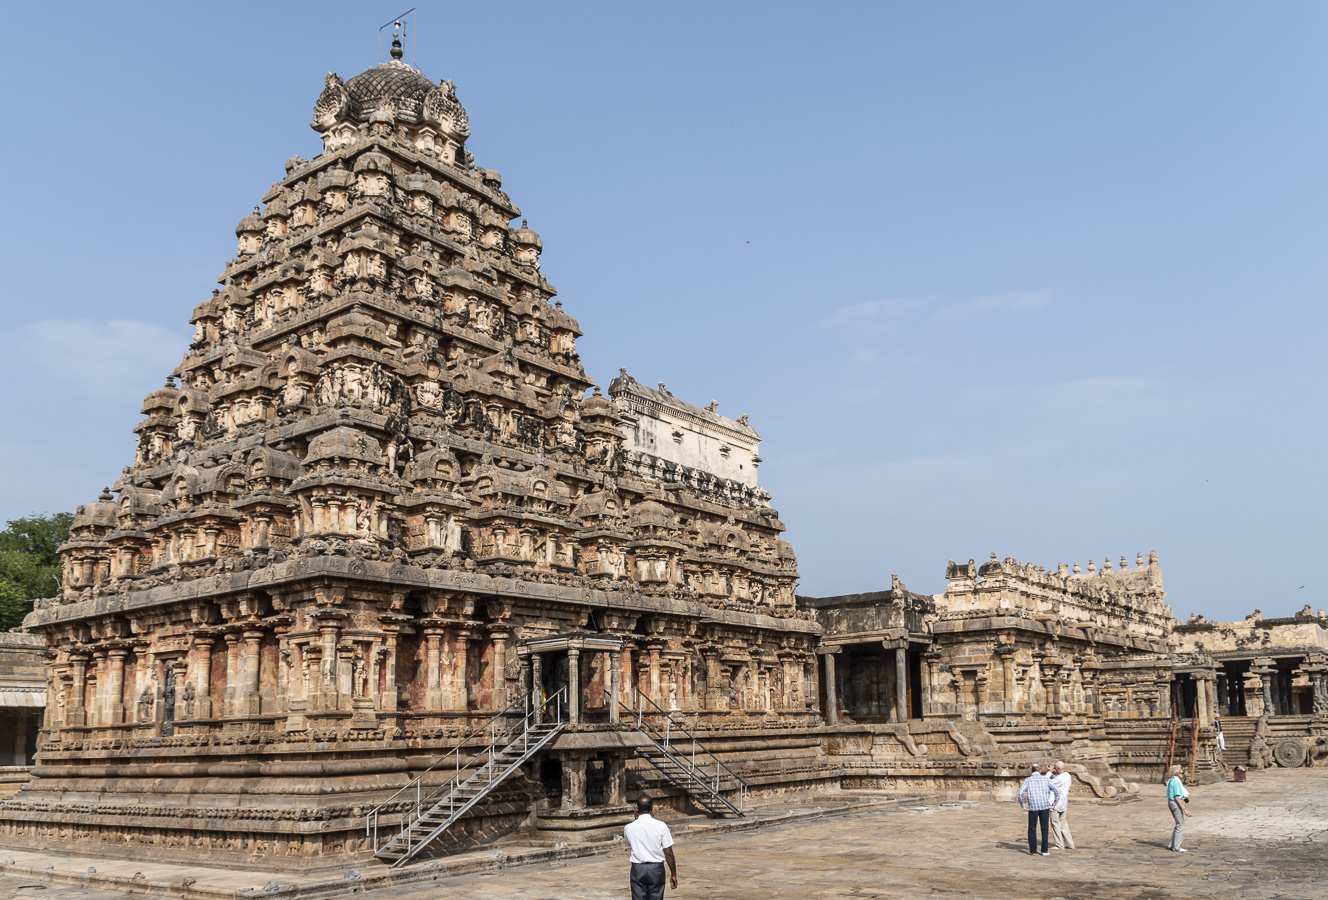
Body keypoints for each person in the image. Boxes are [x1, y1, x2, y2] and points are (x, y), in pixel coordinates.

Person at [623, 795, 678, 899]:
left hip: (638, 869)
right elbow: (669, 852)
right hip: (656, 869)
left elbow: (630, 843)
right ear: (652, 808)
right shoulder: (661, 826)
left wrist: (636, 820)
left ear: (637, 809)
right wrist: (673, 873)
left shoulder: (629, 827)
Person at [1017, 764, 1061, 856]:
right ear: (1040, 771)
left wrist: (1023, 804)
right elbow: (1057, 791)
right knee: (1044, 829)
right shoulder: (1046, 779)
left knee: (1032, 829)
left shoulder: (1028, 780)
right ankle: (1044, 850)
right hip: (1045, 806)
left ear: (1031, 771)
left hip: (1033, 807)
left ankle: (1033, 850)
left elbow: (1020, 793)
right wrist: (1054, 803)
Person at [1048, 760, 1075, 850]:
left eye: (1055, 767)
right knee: (1063, 824)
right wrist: (1052, 773)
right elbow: (1055, 779)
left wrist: (1049, 772)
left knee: (1055, 824)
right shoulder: (1067, 775)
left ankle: (1059, 844)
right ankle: (1070, 843)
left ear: (1058, 768)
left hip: (1055, 804)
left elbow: (1047, 782)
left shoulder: (1060, 778)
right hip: (1063, 803)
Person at [1166, 765, 1193, 852]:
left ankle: (1172, 844)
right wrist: (1185, 809)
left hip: (1170, 802)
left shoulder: (1171, 780)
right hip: (1175, 802)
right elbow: (1177, 797)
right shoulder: (1176, 782)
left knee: (1178, 824)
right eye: (1182, 773)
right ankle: (1176, 847)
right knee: (1180, 825)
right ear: (1178, 773)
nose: (1183, 774)